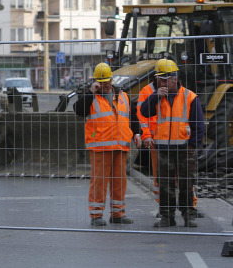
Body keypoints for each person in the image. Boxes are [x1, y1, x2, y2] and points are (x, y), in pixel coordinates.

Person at [74, 62, 142, 226]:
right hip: (100, 146)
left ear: (111, 80)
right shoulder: (91, 97)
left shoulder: (123, 97)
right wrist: (91, 92)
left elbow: (132, 117)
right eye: (101, 82)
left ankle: (117, 214)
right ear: (95, 81)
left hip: (120, 145)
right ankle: (96, 215)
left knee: (119, 180)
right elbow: (79, 110)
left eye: (106, 82)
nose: (104, 85)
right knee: (99, 181)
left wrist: (137, 134)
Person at [140, 59, 205, 228]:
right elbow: (144, 112)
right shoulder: (157, 97)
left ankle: (188, 215)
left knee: (186, 183)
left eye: (165, 79)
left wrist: (192, 146)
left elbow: (198, 124)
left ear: (175, 78)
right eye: (159, 79)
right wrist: (155, 97)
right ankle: (167, 217)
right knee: (165, 184)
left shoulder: (189, 97)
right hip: (163, 148)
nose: (161, 82)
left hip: (184, 148)